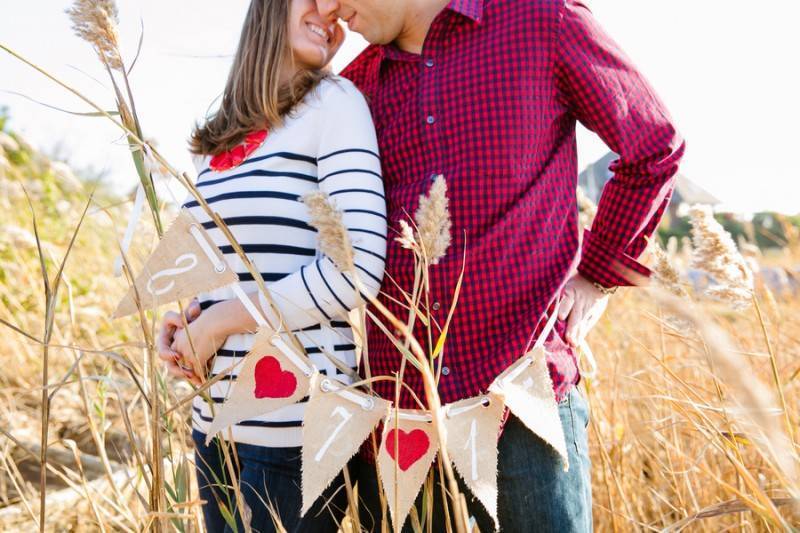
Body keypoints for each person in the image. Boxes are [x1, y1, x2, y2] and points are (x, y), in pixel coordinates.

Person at [316, 0, 686, 531]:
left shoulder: (542, 21)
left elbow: (653, 146)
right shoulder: (353, 88)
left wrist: (598, 273)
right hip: (402, 423)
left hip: (522, 411)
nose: (329, 7)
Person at [156, 1, 387, 531]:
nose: (330, 12)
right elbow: (234, 268)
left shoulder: (335, 102)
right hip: (212, 420)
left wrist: (219, 322)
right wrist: (189, 320)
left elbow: (355, 271)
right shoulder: (218, 140)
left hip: (295, 426)